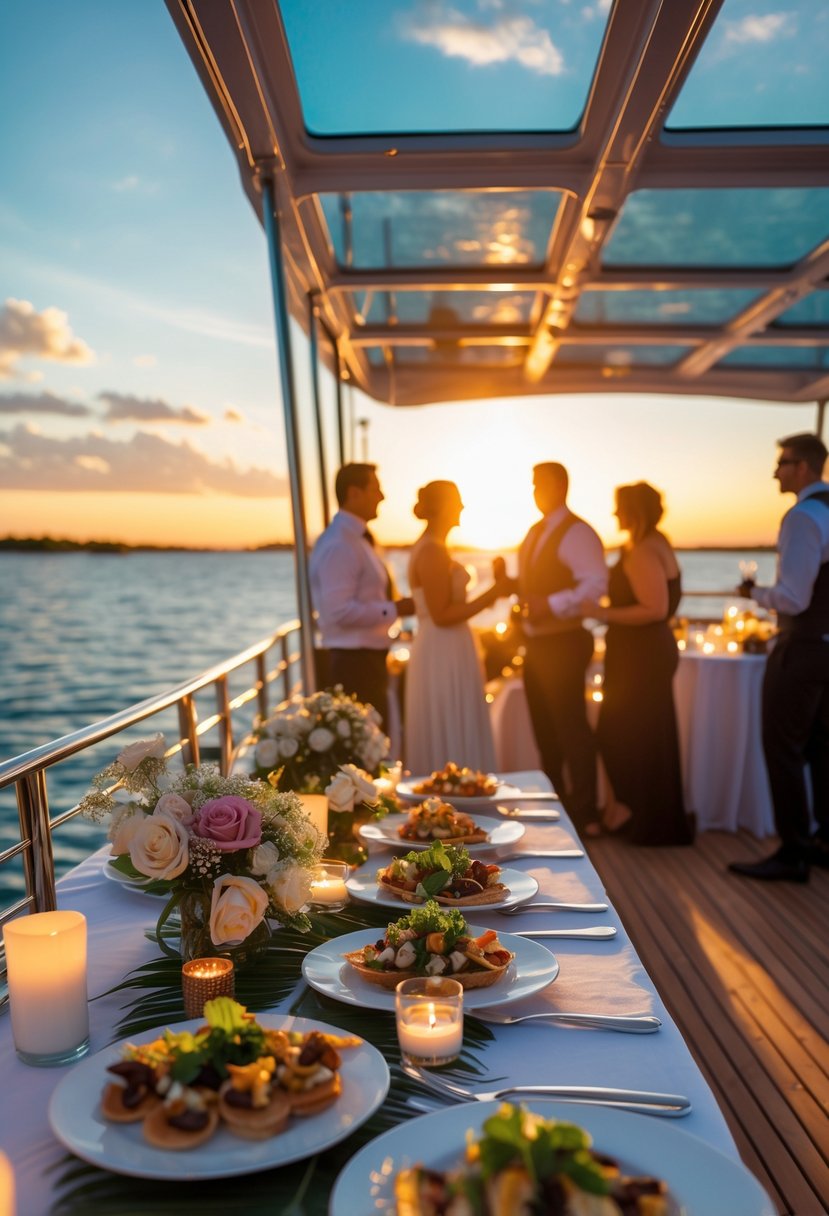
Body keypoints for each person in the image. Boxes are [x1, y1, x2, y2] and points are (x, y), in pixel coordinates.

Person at [729, 433, 829, 883]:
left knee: (783, 747)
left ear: (804, 467)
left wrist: (755, 593)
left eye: (783, 462)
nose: (775, 471)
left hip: (804, 648)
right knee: (823, 746)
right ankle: (823, 841)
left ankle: (793, 853)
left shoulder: (802, 517)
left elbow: (792, 596)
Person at [581, 482, 693, 846]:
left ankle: (636, 813)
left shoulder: (645, 548)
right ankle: (637, 812)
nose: (614, 514)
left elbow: (655, 608)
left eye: (619, 508)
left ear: (634, 512)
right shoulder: (652, 542)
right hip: (641, 653)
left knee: (619, 733)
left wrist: (601, 611)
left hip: (641, 657)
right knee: (643, 733)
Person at [507, 462, 607, 832]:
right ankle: (557, 805)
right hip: (536, 644)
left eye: (540, 484)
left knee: (571, 726)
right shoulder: (535, 532)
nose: (535, 491)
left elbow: (595, 585)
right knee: (545, 729)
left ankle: (586, 812)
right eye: (532, 484)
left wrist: (551, 604)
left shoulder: (578, 533)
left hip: (565, 642)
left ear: (561, 486)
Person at [405, 481, 509, 774]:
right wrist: (494, 592)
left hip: (449, 646)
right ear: (443, 506)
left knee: (456, 719)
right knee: (448, 720)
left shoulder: (436, 547)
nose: (462, 507)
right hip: (441, 648)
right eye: (458, 501)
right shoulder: (431, 551)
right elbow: (442, 614)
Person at [309, 463, 414, 729]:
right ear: (354, 493)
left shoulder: (358, 539)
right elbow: (338, 611)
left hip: (367, 661)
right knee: (364, 752)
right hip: (354, 666)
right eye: (375, 489)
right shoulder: (340, 544)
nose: (382, 497)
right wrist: (395, 609)